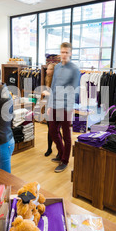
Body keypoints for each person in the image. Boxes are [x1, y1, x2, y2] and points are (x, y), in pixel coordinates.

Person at [47, 42, 81, 173]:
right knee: (52, 131)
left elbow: (74, 89)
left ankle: (65, 161)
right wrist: (50, 104)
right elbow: (53, 86)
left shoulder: (74, 69)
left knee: (66, 134)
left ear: (70, 53)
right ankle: (61, 154)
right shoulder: (56, 68)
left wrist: (70, 107)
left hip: (66, 106)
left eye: (67, 52)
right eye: (62, 52)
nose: (64, 55)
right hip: (55, 104)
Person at [41, 62, 56, 157]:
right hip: (48, 107)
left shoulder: (57, 81)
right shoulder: (48, 79)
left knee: (54, 130)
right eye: (47, 69)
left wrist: (48, 94)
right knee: (50, 129)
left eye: (50, 69)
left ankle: (60, 150)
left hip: (55, 108)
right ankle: (49, 148)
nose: (47, 70)